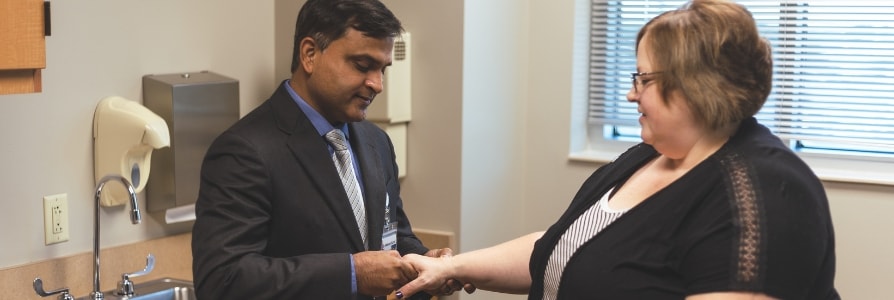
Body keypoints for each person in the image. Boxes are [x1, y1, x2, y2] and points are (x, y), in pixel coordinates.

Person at [395, 0, 840, 299]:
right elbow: (559, 249)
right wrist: (453, 268)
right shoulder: (649, 156)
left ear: (695, 88)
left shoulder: (764, 189)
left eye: (643, 79)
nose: (631, 94)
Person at [191, 0, 450, 299]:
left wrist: (424, 262)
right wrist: (351, 274)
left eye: (383, 70)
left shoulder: (376, 142)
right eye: (363, 66)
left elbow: (391, 236)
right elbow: (223, 280)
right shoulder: (244, 151)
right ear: (310, 54)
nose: (377, 84)